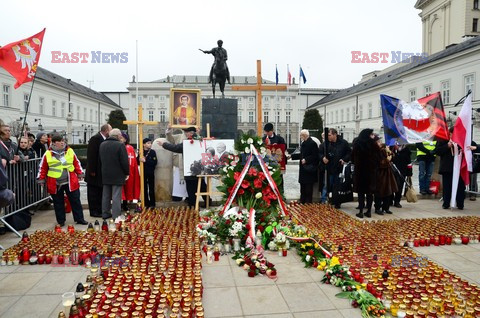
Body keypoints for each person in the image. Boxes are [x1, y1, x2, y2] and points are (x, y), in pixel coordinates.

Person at [37, 134, 87, 226]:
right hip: (55, 182)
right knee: (58, 203)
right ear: (54, 143)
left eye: (63, 141)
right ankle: (61, 221)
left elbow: (76, 162)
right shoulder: (47, 154)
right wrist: (41, 179)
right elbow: (42, 167)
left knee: (75, 200)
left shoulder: (70, 151)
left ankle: (79, 219)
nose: (62, 142)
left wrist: (80, 173)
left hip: (70, 181)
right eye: (60, 141)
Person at [159, 126, 209, 208]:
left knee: (192, 190)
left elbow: (176, 148)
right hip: (199, 169)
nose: (186, 134)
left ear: (191, 133)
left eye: (187, 132)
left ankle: (193, 206)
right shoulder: (200, 141)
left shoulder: (188, 142)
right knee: (202, 187)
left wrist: (163, 144)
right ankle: (207, 202)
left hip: (190, 170)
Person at [99, 129, 129, 222]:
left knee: (106, 195)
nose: (121, 137)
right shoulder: (120, 145)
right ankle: (116, 215)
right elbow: (124, 161)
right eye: (120, 135)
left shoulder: (102, 144)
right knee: (116, 195)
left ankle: (105, 213)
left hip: (105, 172)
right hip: (117, 173)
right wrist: (126, 172)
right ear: (118, 136)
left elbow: (100, 159)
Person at [318, 128, 351, 208]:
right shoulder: (326, 143)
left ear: (335, 134)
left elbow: (349, 153)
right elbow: (319, 153)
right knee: (326, 185)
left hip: (339, 168)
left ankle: (337, 202)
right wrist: (323, 158)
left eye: (329, 135)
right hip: (328, 169)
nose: (328, 137)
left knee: (337, 186)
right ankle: (324, 200)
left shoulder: (343, 143)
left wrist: (344, 159)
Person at [85, 124, 112, 218]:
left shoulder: (105, 139)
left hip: (101, 171)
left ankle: (100, 209)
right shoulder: (95, 139)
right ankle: (94, 211)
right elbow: (91, 155)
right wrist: (92, 170)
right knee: (93, 193)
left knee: (100, 192)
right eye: (110, 130)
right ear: (106, 131)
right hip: (94, 171)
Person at [435, 128, 466, 210]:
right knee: (447, 187)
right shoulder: (443, 140)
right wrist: (447, 146)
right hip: (447, 167)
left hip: (459, 167)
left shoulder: (462, 140)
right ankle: (446, 203)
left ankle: (460, 204)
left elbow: (470, 146)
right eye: (452, 134)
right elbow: (437, 151)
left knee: (460, 186)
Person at [352, 129, 379, 218]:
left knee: (361, 192)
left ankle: (360, 211)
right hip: (371, 172)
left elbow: (352, 157)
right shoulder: (373, 144)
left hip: (360, 171)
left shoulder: (357, 143)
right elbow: (378, 158)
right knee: (369, 192)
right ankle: (369, 211)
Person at [291, 129, 319, 204]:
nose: (300, 137)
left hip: (309, 169)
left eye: (301, 135)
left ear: (305, 135)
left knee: (308, 187)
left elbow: (315, 156)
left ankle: (308, 202)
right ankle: (302, 200)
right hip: (303, 169)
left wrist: (306, 160)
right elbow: (301, 154)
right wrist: (292, 156)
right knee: (302, 186)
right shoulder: (304, 143)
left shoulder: (312, 143)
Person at [374, 136, 398, 215]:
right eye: (378, 142)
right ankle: (377, 208)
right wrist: (387, 160)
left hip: (388, 174)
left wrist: (390, 152)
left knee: (388, 192)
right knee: (379, 192)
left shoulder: (384, 150)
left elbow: (392, 157)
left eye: (380, 141)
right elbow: (380, 163)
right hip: (380, 174)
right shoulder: (375, 152)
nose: (380, 143)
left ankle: (386, 207)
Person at [262, 123, 287, 191]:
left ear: (272, 130)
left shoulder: (279, 139)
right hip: (268, 163)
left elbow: (284, 147)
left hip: (278, 163)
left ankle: (281, 193)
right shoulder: (263, 139)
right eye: (266, 132)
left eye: (268, 132)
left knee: (279, 178)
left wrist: (277, 146)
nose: (267, 133)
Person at [119, 132, 140, 210]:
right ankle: (121, 203)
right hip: (121, 170)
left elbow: (132, 159)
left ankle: (126, 203)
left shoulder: (129, 148)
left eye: (122, 138)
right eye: (119, 137)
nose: (120, 139)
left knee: (128, 188)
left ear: (125, 139)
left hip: (129, 170)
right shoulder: (119, 146)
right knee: (121, 189)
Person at [390, 143, 412, 208]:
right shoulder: (392, 149)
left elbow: (409, 163)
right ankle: (390, 200)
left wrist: (409, 173)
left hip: (402, 172)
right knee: (391, 186)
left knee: (399, 187)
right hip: (392, 171)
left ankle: (397, 201)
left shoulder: (406, 151)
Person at [139, 138, 157, 208]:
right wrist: (139, 158)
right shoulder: (141, 151)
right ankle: (146, 203)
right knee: (144, 188)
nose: (150, 144)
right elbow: (138, 161)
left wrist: (145, 161)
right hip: (143, 173)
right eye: (148, 143)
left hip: (150, 172)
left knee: (151, 188)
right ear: (143, 144)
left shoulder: (152, 152)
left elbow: (154, 162)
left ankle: (152, 203)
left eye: (150, 143)